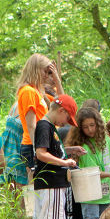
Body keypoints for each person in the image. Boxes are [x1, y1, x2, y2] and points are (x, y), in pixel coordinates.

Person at [33, 94, 80, 219]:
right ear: (61, 110)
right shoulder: (45, 125)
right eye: (67, 118)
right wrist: (65, 162)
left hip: (51, 184)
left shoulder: (49, 126)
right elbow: (41, 153)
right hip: (50, 183)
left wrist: (70, 150)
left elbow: (52, 150)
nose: (66, 123)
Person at [65, 106, 110, 219]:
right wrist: (109, 175)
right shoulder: (83, 148)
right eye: (85, 127)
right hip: (90, 193)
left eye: (92, 125)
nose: (90, 130)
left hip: (106, 193)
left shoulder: (106, 141)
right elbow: (91, 172)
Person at [15, 54, 63, 184]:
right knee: (37, 186)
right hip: (33, 144)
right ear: (35, 69)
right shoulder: (28, 91)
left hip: (41, 143)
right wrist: (38, 150)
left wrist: (57, 80)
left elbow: (63, 104)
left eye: (49, 72)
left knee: (43, 185)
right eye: (45, 71)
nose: (47, 75)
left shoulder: (37, 91)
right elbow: (31, 125)